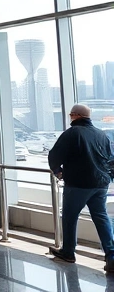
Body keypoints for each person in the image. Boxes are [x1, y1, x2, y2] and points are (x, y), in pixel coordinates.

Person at [47, 103, 114, 270]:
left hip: (78, 184)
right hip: (100, 184)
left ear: (75, 115)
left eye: (71, 115)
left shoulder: (71, 134)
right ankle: (111, 255)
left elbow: (54, 156)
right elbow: (111, 159)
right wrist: (107, 177)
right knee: (101, 216)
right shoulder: (101, 134)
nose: (70, 118)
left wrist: (58, 172)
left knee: (70, 217)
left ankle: (68, 252)